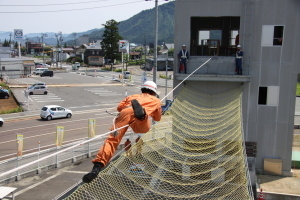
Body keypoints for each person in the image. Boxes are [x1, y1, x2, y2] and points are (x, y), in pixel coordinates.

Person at [82, 81, 162, 183]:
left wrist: (128, 108)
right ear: (154, 92)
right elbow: (158, 118)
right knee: (143, 129)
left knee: (112, 140)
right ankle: (141, 115)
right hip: (140, 115)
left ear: (142, 89)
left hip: (125, 112)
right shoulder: (156, 100)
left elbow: (119, 108)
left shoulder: (132, 96)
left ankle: (96, 167)